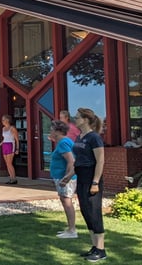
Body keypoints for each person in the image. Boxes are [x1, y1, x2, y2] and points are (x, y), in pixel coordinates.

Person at [73, 108, 107, 262]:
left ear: (85, 120)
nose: (75, 119)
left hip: (91, 177)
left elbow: (100, 160)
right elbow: (76, 159)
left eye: (77, 117)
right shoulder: (79, 137)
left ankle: (101, 249)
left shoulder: (94, 138)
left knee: (94, 212)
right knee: (86, 211)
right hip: (81, 177)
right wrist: (68, 176)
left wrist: (95, 182)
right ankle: (94, 247)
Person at [49, 120, 78, 239]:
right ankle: (70, 229)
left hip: (65, 178)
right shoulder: (61, 142)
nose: (50, 131)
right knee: (65, 201)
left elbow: (71, 161)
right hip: (62, 178)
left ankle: (72, 230)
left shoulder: (63, 143)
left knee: (67, 202)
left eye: (52, 129)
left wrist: (66, 178)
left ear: (58, 131)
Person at [0, 114, 19, 184]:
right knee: (7, 163)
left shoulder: (12, 128)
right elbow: (4, 139)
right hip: (5, 145)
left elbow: (17, 139)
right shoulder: (3, 128)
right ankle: (11, 177)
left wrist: (17, 149)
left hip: (10, 145)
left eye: (3, 120)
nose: (2, 121)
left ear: (7, 120)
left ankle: (14, 178)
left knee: (9, 163)